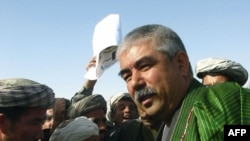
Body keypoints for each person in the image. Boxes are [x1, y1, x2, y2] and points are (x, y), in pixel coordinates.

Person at [116, 24, 250, 140]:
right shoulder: (165, 126)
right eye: (127, 76)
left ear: (181, 64)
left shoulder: (223, 102)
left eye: (144, 66)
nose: (134, 82)